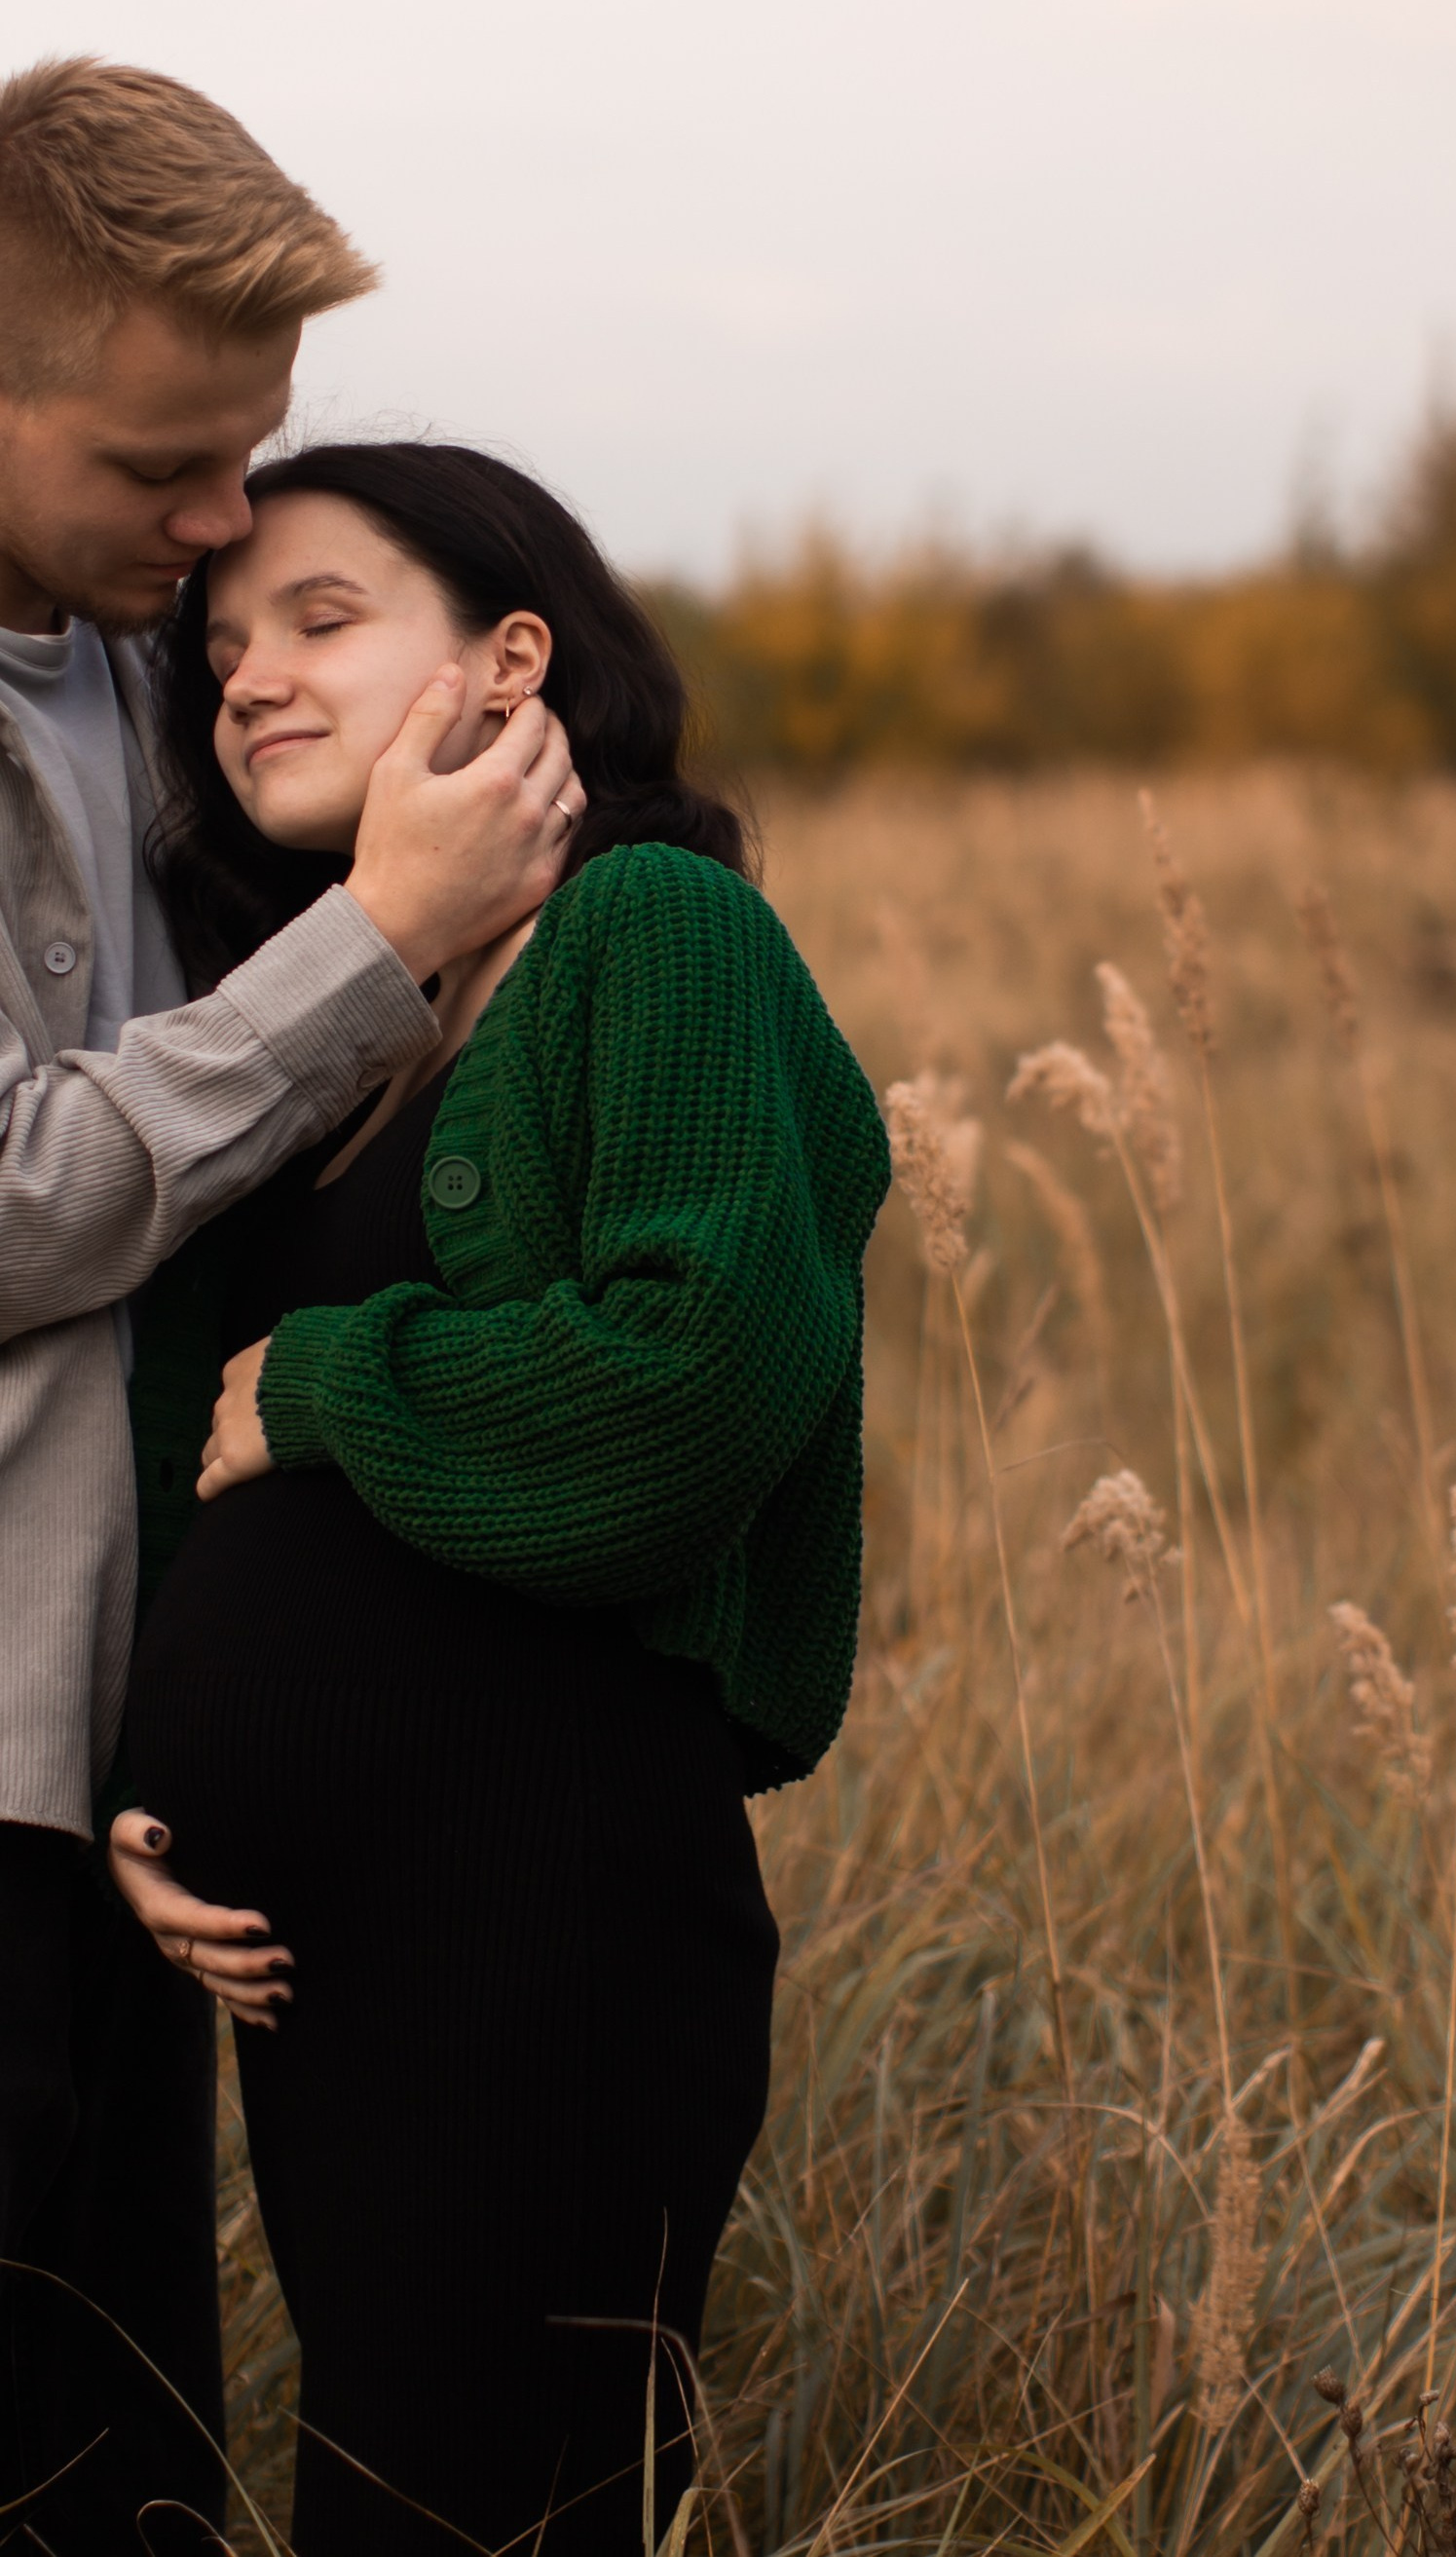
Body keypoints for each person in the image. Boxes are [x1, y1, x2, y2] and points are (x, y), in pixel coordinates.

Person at [108, 440, 890, 2555]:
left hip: (546, 1914)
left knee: (490, 2516)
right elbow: (208, 1455)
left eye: (321, 618)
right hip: (343, 1951)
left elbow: (685, 1388)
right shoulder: (356, 1027)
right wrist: (154, 1795)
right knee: (382, 2489)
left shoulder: (656, 929)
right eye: (220, 644)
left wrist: (341, 1375)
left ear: (511, 656)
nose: (247, 674)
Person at [0, 61, 579, 2555]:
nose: (224, 522)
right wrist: (381, 944)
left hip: (108, 1788)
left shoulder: (149, 664)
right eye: (163, 466)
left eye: (258, 458)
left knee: (128, 2459)